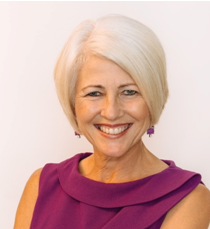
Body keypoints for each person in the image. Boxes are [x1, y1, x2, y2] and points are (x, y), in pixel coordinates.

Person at [14, 14, 210, 229]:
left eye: (129, 92)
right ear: (73, 105)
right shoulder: (41, 186)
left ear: (153, 98)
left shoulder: (187, 199)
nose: (112, 112)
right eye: (94, 93)